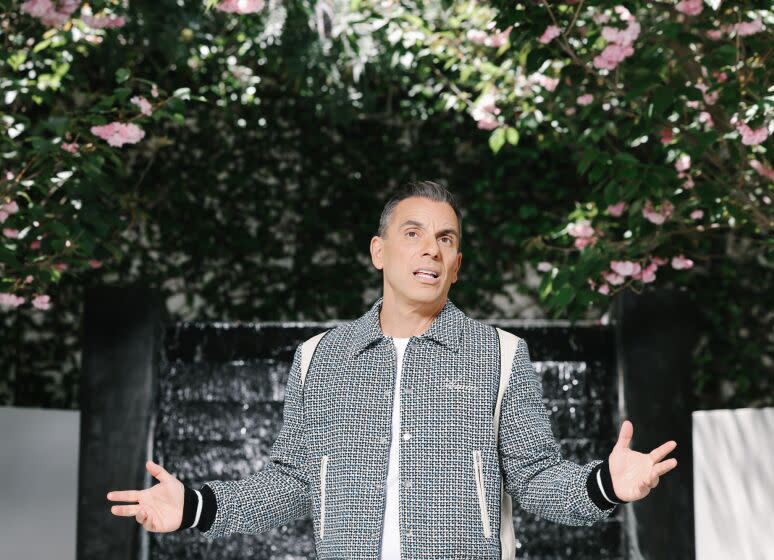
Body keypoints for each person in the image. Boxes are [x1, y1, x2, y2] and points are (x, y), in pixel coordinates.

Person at [107, 181, 678, 558]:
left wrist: (605, 484)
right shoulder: (318, 358)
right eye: (414, 234)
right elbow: (288, 485)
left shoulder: (502, 355)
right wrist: (196, 507)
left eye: (445, 240)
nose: (430, 249)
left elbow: (534, 480)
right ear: (380, 251)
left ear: (456, 266)